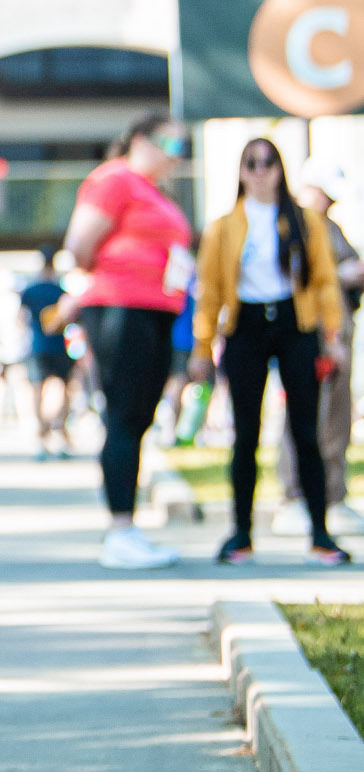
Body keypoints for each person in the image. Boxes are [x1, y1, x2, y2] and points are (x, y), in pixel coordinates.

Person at [191, 136, 348, 564]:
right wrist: (202, 346)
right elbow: (210, 293)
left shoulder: (304, 221)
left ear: (281, 169)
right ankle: (240, 533)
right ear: (241, 172)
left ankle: (320, 532)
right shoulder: (224, 226)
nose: (261, 172)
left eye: (269, 163)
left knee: (306, 432)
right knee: (246, 433)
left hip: (296, 326)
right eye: (251, 164)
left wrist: (332, 338)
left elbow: (325, 283)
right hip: (246, 327)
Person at [59, 108, 194, 570]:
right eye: (171, 145)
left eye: (183, 148)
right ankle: (119, 529)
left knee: (138, 417)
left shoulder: (155, 193)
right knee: (123, 413)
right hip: (120, 306)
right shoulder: (114, 180)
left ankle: (129, 527)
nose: (178, 156)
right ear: (141, 140)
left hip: (157, 310)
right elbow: (79, 245)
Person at [280, 164, 363, 534]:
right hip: (309, 333)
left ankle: (332, 495)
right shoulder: (290, 225)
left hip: (338, 331)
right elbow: (292, 277)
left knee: (336, 417)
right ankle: (296, 495)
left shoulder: (331, 227)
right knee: (308, 412)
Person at [18, 247, 78, 459]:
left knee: (37, 390)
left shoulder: (30, 290)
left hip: (38, 346)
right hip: (59, 346)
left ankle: (41, 434)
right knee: (64, 389)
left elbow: (20, 319)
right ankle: (59, 429)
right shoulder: (59, 290)